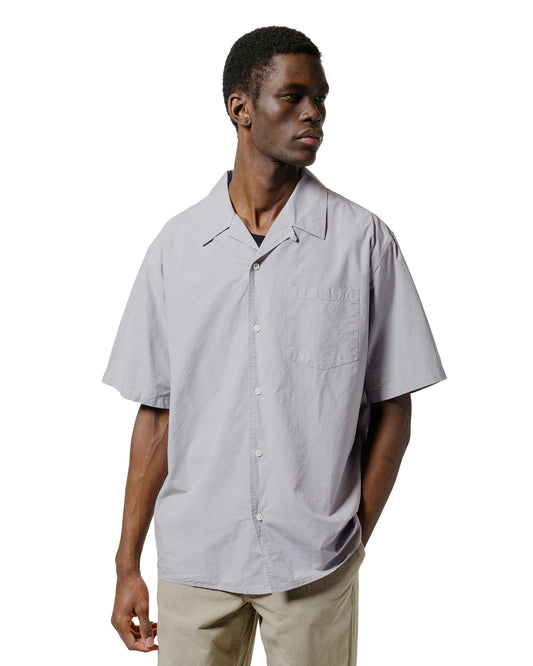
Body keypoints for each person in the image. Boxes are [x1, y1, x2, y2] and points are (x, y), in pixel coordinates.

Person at [102, 25, 446, 666]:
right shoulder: (177, 249)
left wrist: (353, 538)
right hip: (196, 561)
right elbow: (156, 415)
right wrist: (127, 564)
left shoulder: (362, 242)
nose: (314, 112)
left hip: (314, 565)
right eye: (293, 97)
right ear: (241, 108)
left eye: (321, 98)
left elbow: (394, 406)